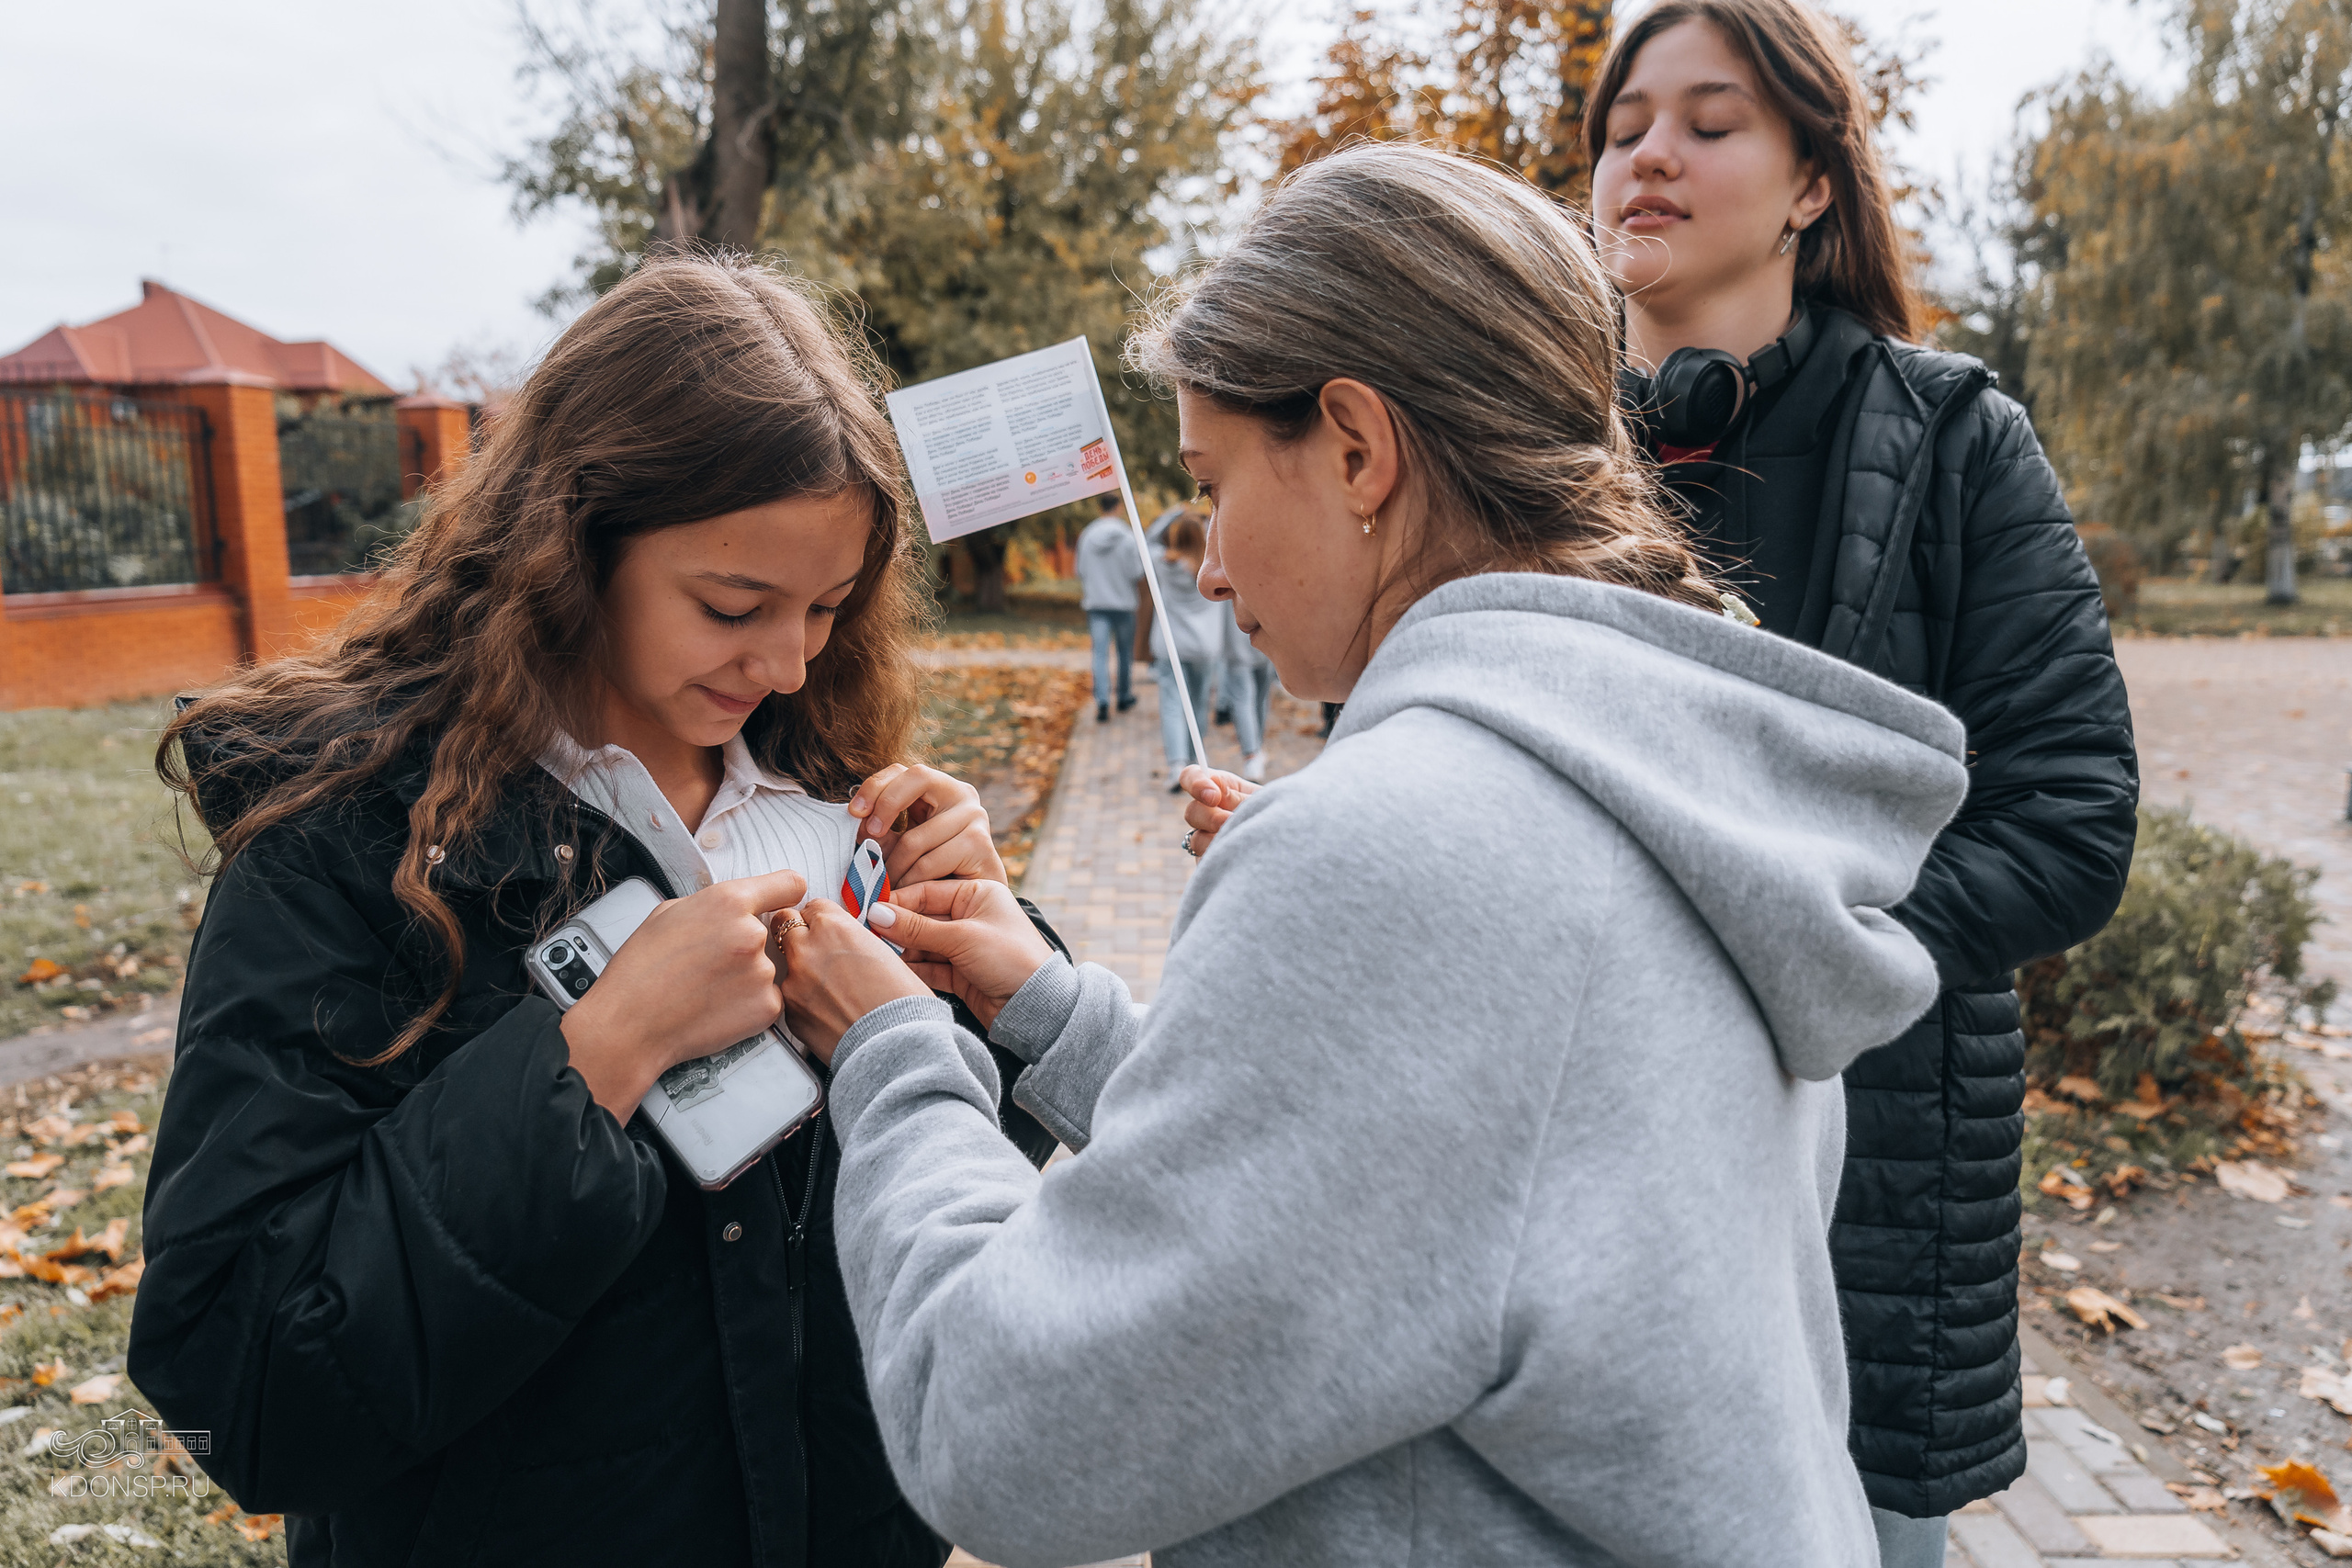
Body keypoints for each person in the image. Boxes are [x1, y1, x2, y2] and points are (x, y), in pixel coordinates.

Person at [764, 143, 1972, 1567]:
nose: (1204, 564)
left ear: (1354, 446)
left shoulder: (1395, 842)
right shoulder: (1664, 778)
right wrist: (1054, 1012)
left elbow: (1006, 1427)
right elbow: (1440, 1178)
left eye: (1213, 481)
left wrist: (897, 1049)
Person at [129, 254, 1058, 1568]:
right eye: (732, 605)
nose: (789, 659)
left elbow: (963, 1222)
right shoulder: (347, 841)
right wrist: (593, 1055)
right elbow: (248, 1375)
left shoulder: (831, 788)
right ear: (570, 546)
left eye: (826, 608)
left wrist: (983, 968)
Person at [1579, 3, 2142, 1560]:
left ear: (1815, 179)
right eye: (1625, 127)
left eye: (1710, 121)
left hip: (1868, 1193)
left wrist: (1823, 961)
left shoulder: (1962, 446)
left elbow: (2073, 817)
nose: (1651, 157)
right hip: (1587, 1163)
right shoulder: (1523, 459)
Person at [1146, 509, 1221, 792]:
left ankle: (1176, 765)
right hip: (1204, 647)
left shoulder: (1163, 564)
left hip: (1171, 646)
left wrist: (1173, 513)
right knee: (1199, 704)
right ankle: (1195, 763)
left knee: (1172, 705)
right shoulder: (1210, 567)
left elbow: (1148, 539)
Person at [1074, 492, 1143, 723]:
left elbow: (1080, 571)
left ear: (1100, 507)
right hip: (1124, 604)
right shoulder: (1128, 537)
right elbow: (1137, 572)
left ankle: (1102, 700)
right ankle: (1123, 696)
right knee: (1124, 653)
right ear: (1119, 507)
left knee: (1100, 655)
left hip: (1097, 604)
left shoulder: (1087, 535)